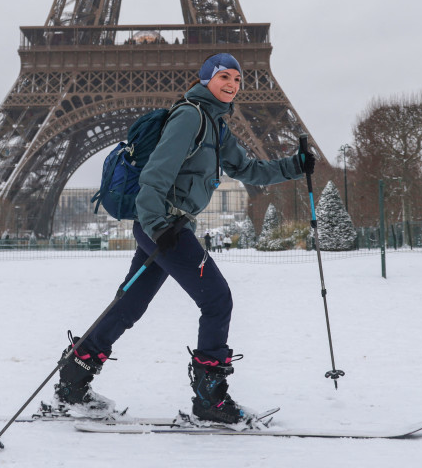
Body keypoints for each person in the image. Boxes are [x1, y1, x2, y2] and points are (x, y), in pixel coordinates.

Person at [53, 53, 314, 425]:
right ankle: (210, 399)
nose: (232, 84)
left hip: (169, 227)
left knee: (130, 304)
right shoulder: (190, 115)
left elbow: (249, 169)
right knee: (217, 299)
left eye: (238, 79)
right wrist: (158, 223)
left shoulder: (217, 126)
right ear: (206, 78)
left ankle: (73, 381)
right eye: (224, 76)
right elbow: (156, 173)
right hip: (162, 226)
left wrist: (294, 165)